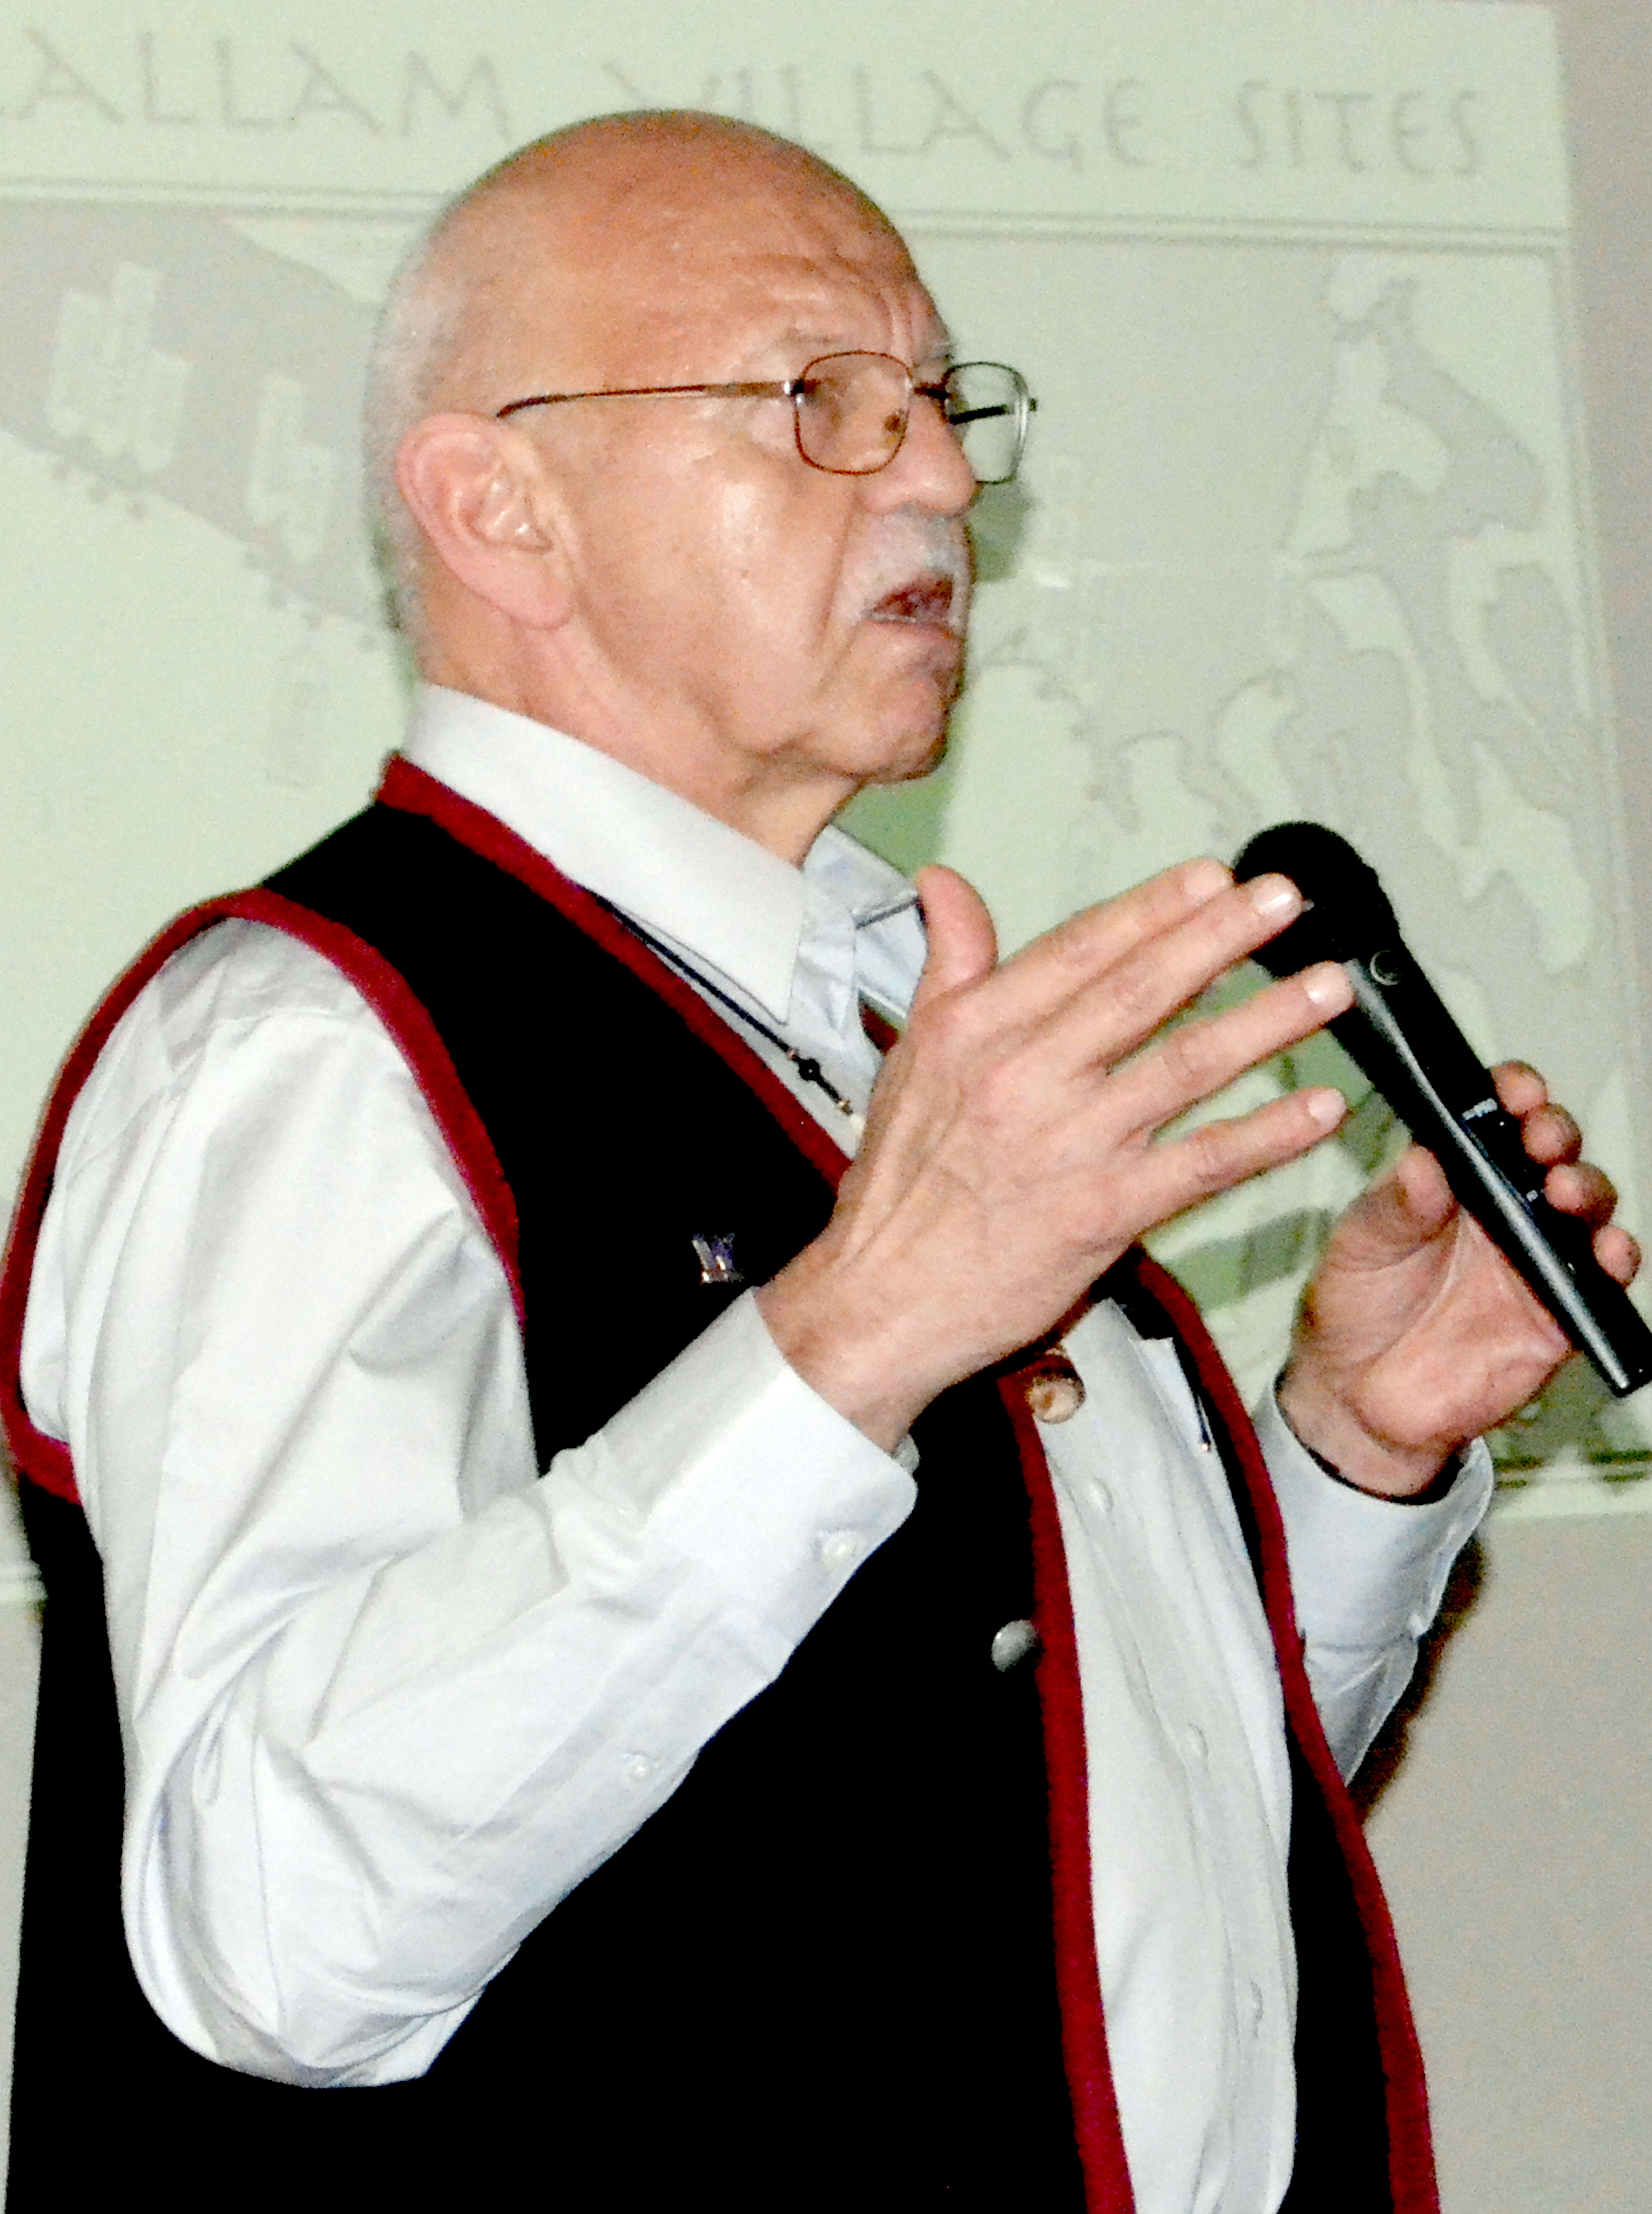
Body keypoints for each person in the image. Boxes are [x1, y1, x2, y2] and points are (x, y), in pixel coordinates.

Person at [0, 112, 1635, 2213]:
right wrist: (852, 1332)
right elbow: (277, 1936)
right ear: (500, 508)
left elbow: (1076, 1799)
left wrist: (1349, 1449)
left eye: (943, 410)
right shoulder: (307, 1047)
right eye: (817, 405)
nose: (942, 480)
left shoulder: (876, 1025)